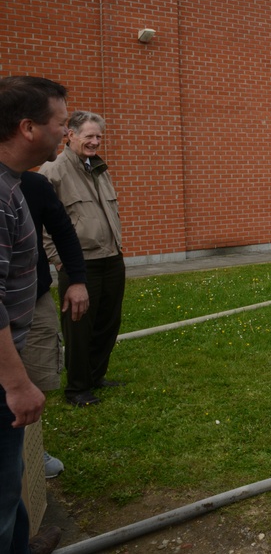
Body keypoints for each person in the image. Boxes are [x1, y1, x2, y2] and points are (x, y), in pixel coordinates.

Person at [0, 75, 70, 554]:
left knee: (10, 485)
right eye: (61, 124)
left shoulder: (15, 185)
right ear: (28, 127)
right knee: (1, 494)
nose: (65, 133)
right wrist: (15, 382)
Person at [39, 111, 126, 407]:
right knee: (79, 327)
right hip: (80, 264)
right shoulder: (53, 170)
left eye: (99, 136)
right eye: (89, 135)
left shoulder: (99, 168)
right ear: (70, 134)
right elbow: (42, 225)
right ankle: (77, 389)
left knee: (107, 323)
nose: (95, 141)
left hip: (112, 257)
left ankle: (95, 375)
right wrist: (60, 262)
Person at [20, 170, 89, 477]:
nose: (62, 131)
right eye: (59, 123)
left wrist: (76, 279)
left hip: (34, 300)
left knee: (38, 376)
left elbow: (63, 231)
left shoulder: (35, 184)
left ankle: (32, 448)